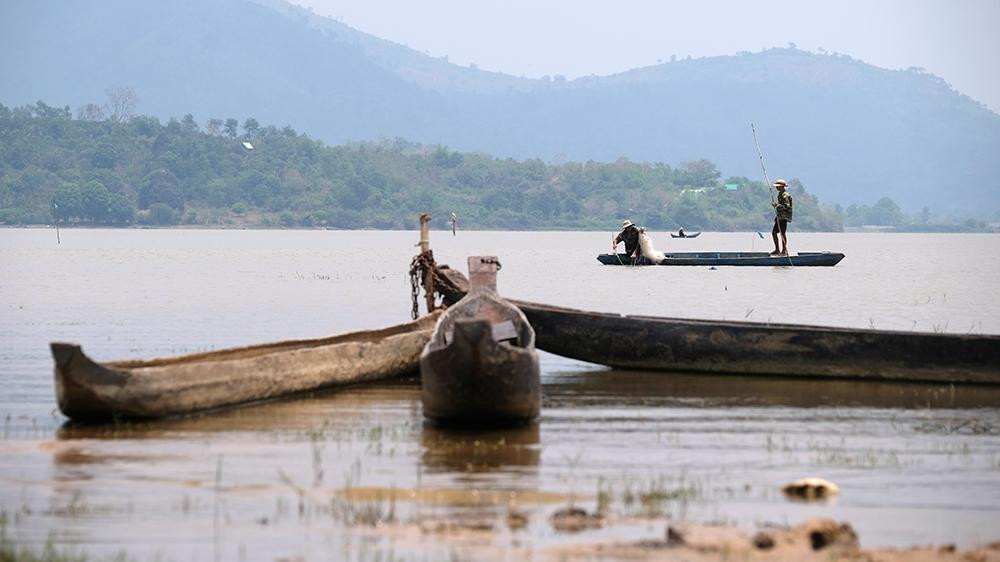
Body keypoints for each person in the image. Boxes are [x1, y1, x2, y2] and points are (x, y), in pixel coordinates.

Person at [770, 179, 793, 256]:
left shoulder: (785, 195)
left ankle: (784, 251)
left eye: (778, 186)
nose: (777, 187)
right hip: (779, 216)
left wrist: (777, 205)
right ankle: (777, 250)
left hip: (784, 217)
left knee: (782, 233)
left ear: (782, 186)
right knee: (774, 232)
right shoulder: (780, 194)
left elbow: (787, 206)